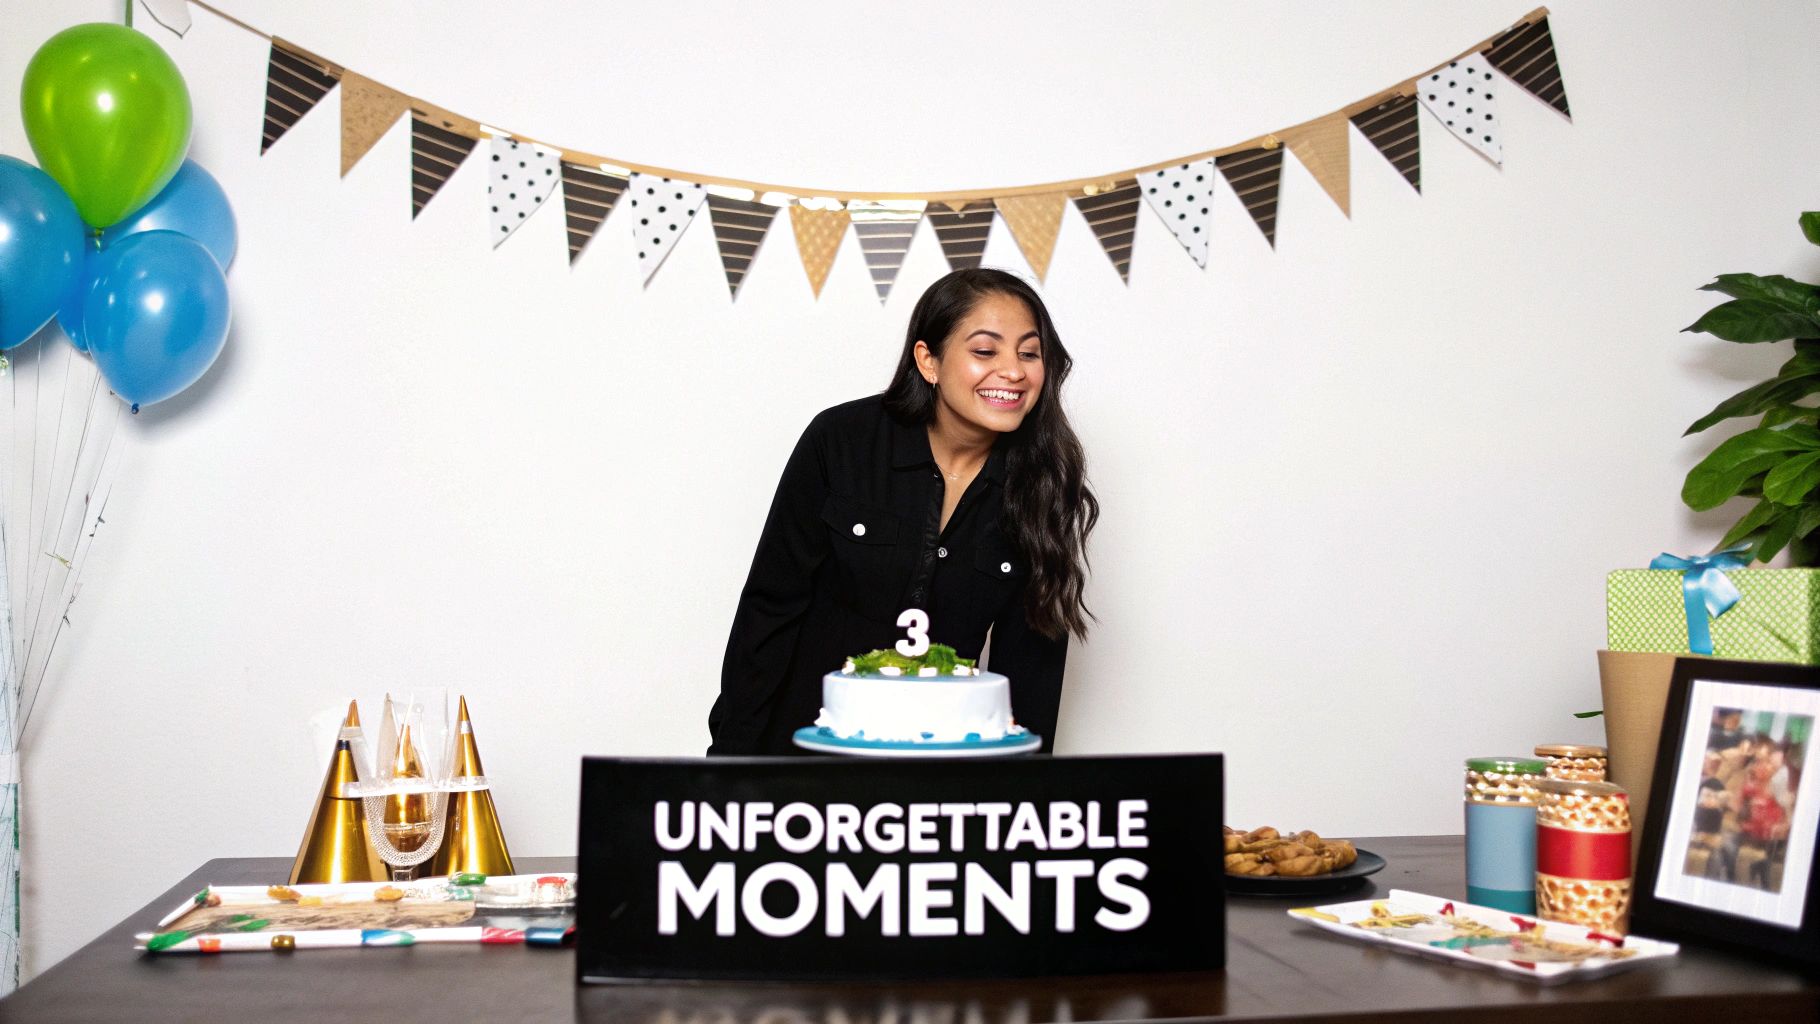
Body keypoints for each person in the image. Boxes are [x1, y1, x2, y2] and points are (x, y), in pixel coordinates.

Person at [708, 268, 1099, 755]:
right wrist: (729, 768)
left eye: (1029, 352)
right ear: (928, 360)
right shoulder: (840, 441)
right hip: (798, 761)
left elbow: (1032, 668)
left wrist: (1020, 805)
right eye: (985, 351)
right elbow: (769, 611)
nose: (1014, 371)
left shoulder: (1043, 479)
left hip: (939, 778)